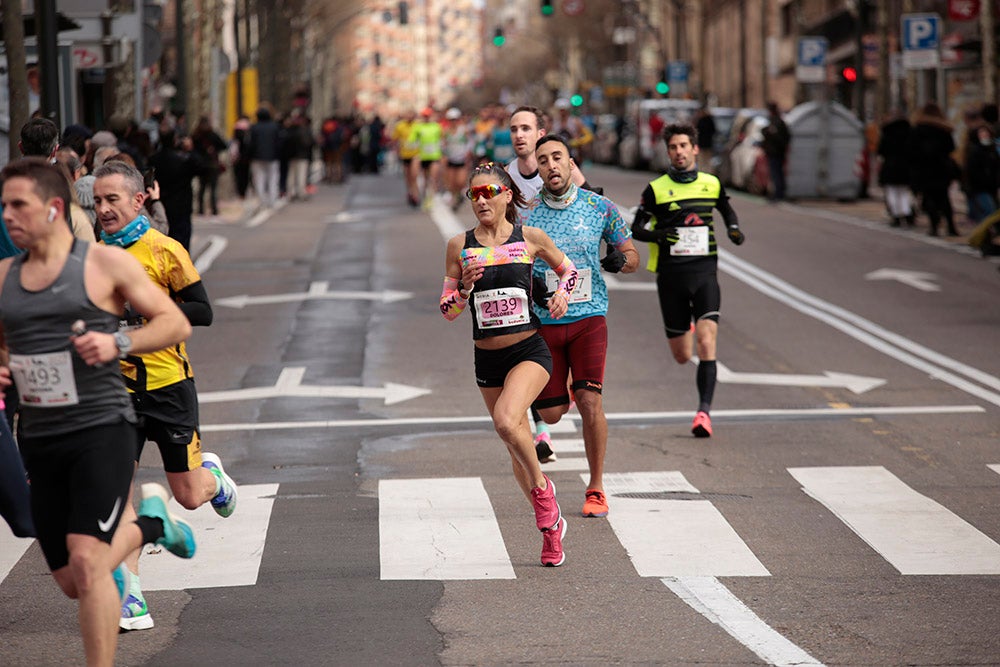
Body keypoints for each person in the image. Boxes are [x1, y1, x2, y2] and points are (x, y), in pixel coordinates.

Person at [0, 157, 196, 665]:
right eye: (3, 207)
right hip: (40, 439)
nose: (8, 216)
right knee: (69, 581)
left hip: (101, 428)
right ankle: (152, 526)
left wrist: (118, 342)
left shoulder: (103, 264)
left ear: (53, 208)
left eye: (19, 205)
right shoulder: (2, 277)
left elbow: (175, 323)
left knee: (89, 566)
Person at [92, 161, 238, 632]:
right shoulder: (93, 255)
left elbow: (203, 310)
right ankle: (131, 595)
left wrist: (144, 311)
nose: (103, 208)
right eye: (96, 201)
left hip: (169, 385)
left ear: (138, 201)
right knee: (115, 494)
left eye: (112, 199)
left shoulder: (164, 249)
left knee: (189, 495)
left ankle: (213, 477)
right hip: (115, 390)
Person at [440, 161, 579, 566]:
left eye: (489, 193)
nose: (481, 201)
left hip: (529, 351)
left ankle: (543, 493)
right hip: (487, 357)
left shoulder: (530, 237)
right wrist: (464, 287)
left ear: (507, 196)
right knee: (513, 444)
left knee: (506, 421)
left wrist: (563, 295)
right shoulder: (458, 245)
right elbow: (447, 310)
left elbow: (568, 272)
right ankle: (550, 530)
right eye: (474, 194)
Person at [526, 135, 639, 517]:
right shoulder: (526, 216)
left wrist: (620, 261)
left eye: (557, 157)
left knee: (591, 401)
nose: (551, 166)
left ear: (571, 162)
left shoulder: (600, 208)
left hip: (590, 318)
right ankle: (567, 392)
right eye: (543, 161)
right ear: (537, 168)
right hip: (545, 322)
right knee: (554, 414)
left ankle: (596, 488)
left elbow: (633, 254)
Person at [631, 122, 745, 439]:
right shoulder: (655, 189)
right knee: (682, 355)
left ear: (694, 148)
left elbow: (726, 209)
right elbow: (636, 229)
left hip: (705, 271)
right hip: (671, 276)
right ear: (668, 152)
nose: (679, 152)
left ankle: (703, 413)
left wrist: (734, 230)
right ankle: (689, 327)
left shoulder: (711, 183)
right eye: (673, 147)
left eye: (684, 146)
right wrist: (658, 234)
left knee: (707, 343)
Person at [505, 106, 597, 461]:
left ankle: (568, 387)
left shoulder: (561, 166)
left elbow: (591, 205)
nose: (519, 135)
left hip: (566, 273)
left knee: (567, 354)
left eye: (526, 128)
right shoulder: (508, 176)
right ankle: (541, 431)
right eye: (514, 129)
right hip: (526, 276)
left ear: (540, 133)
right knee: (522, 348)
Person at [909, 101, 958, 237]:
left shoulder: (917, 128)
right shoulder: (944, 129)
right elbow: (951, 147)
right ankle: (951, 226)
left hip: (924, 169)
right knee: (944, 197)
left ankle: (934, 226)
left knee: (929, 197)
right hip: (942, 168)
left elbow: (912, 150)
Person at [148, 129, 202, 250]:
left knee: (163, 238)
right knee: (182, 241)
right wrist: (191, 150)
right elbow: (201, 168)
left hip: (161, 203)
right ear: (175, 140)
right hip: (182, 205)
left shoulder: (154, 159)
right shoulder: (184, 159)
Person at [877, 110, 916, 227]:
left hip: (890, 166)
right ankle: (907, 213)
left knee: (892, 192)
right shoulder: (910, 132)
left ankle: (896, 215)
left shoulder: (887, 132)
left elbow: (881, 151)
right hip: (906, 167)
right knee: (905, 191)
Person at [191, 116, 229, 217]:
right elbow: (224, 145)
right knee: (213, 188)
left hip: (201, 165)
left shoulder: (196, 135)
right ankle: (214, 210)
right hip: (212, 164)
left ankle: (200, 210)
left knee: (202, 188)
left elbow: (192, 149)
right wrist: (214, 150)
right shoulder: (213, 135)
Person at [408, 107, 444, 209]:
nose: (426, 118)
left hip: (434, 157)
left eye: (428, 116)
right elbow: (411, 141)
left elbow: (442, 139)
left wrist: (442, 151)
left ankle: (430, 199)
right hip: (423, 157)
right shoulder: (418, 127)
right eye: (424, 116)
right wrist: (414, 148)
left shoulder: (436, 126)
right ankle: (424, 196)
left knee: (433, 178)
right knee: (425, 179)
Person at [248, 106, 283, 209]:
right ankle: (272, 200)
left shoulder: (254, 127)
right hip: (273, 157)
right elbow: (279, 142)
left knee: (259, 179)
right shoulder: (275, 127)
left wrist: (250, 155)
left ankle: (262, 200)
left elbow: (251, 143)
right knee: (273, 179)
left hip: (257, 157)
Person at [443, 107, 473, 210]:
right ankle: (455, 200)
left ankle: (459, 195)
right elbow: (443, 144)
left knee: (460, 181)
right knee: (452, 183)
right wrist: (444, 155)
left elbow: (470, 142)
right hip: (451, 159)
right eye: (451, 120)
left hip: (461, 159)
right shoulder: (446, 131)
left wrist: (468, 153)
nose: (453, 122)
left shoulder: (463, 130)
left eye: (455, 119)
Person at [760, 102, 790, 201]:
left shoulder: (777, 122)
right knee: (775, 173)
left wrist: (771, 133)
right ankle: (778, 193)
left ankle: (779, 194)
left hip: (776, 152)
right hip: (774, 152)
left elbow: (783, 138)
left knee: (776, 173)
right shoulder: (774, 122)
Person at [392, 110, 421, 204]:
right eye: (407, 114)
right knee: (408, 176)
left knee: (414, 175)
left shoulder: (418, 126)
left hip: (415, 154)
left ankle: (415, 195)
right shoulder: (399, 126)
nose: (409, 117)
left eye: (411, 114)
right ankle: (410, 192)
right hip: (405, 154)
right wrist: (396, 151)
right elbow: (395, 139)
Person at [695, 106, 717, 173]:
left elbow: (697, 131)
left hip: (704, 143)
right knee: (705, 160)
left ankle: (704, 171)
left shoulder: (701, 120)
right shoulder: (709, 120)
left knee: (704, 160)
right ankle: (706, 171)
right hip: (706, 143)